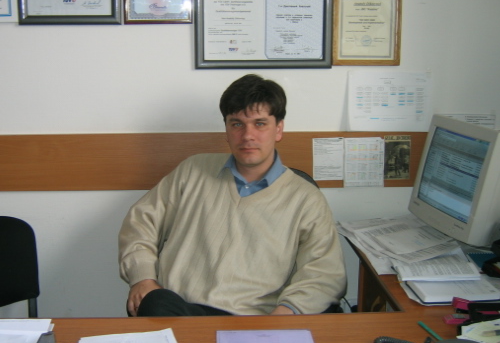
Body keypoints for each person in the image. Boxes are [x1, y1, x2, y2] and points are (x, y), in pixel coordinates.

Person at [118, 74, 346, 316]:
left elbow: (325, 273)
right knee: (155, 303)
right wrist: (142, 277)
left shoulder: (306, 199)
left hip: (253, 320)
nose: (247, 135)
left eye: (260, 124)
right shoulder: (192, 171)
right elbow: (141, 223)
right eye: (237, 124)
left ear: (278, 129)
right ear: (226, 129)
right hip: (180, 311)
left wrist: (285, 314)